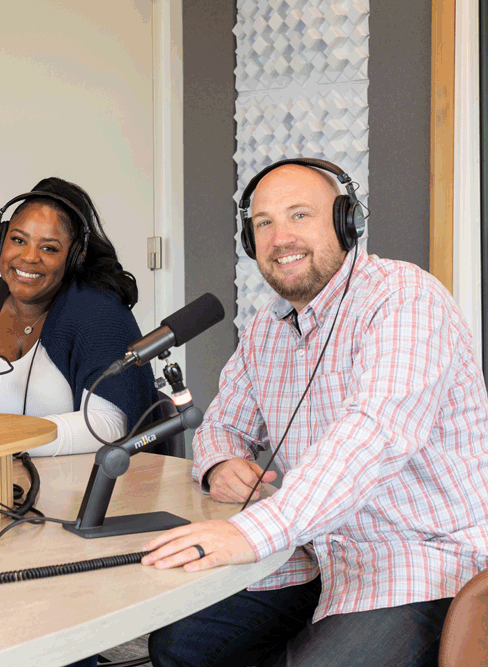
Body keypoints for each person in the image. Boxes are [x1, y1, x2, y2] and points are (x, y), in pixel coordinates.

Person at [141, 158, 488, 667]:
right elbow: (222, 424)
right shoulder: (267, 328)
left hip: (419, 558)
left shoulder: (405, 299)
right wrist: (219, 462)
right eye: (264, 223)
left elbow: (373, 435)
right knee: (181, 644)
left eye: (299, 215)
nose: (280, 238)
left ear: (348, 222)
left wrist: (251, 531)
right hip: (316, 551)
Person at [0, 177, 164, 456]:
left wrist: (1, 443)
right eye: (18, 240)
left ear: (75, 258)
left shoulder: (101, 316)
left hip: (82, 483)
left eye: (49, 248)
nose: (30, 257)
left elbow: (109, 424)